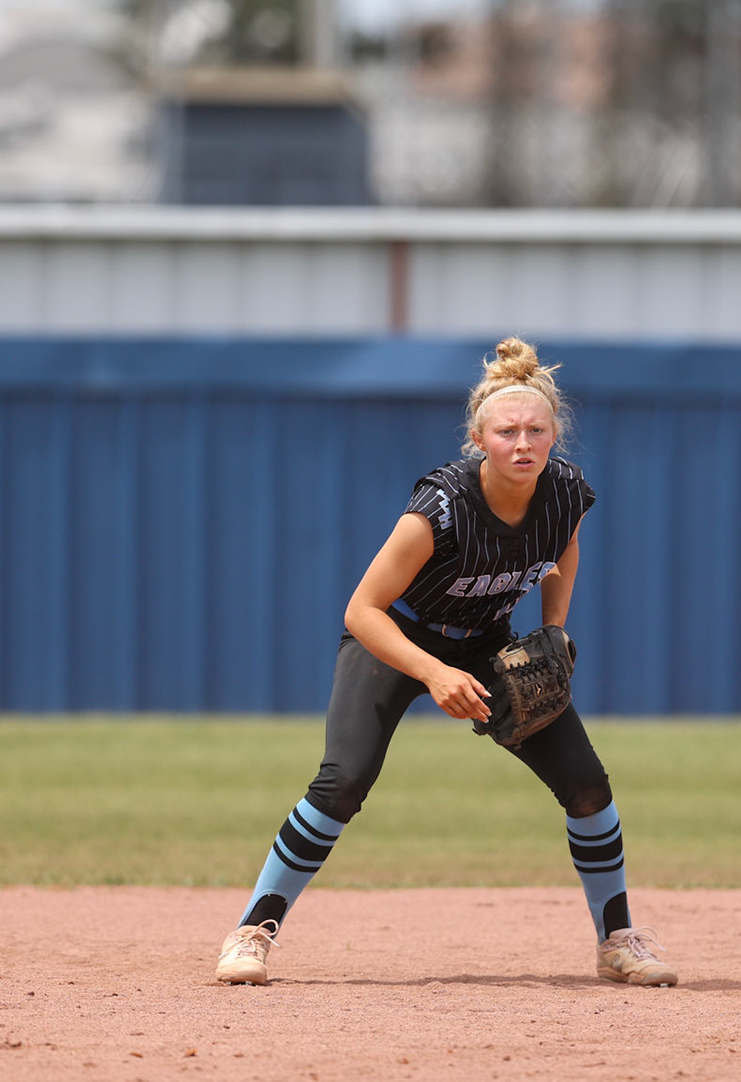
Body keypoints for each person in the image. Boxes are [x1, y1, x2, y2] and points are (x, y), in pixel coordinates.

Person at [215, 336, 677, 988]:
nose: (523, 442)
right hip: (396, 640)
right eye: (507, 430)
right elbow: (361, 611)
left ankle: (618, 940)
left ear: (554, 437)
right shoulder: (442, 508)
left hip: (485, 642)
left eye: (536, 430)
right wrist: (431, 672)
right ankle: (252, 930)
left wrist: (552, 629)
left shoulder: (565, 492)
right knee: (342, 783)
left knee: (588, 786)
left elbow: (563, 550)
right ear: (477, 437)